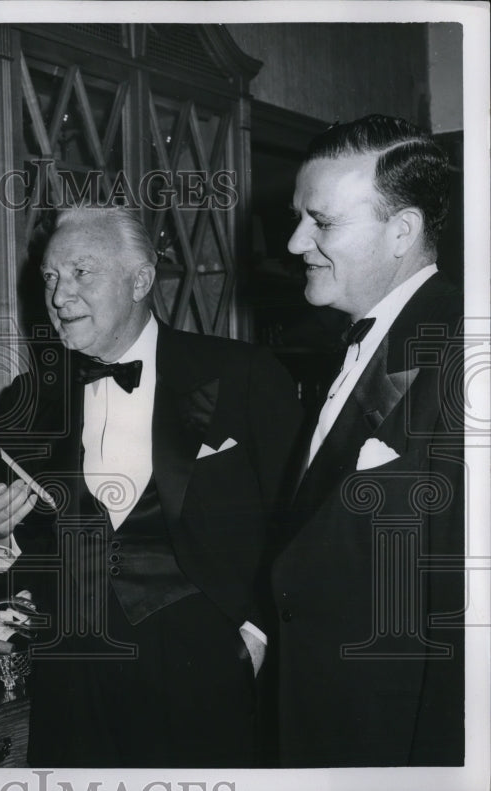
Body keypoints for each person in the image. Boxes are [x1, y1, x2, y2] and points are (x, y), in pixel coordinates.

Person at [0, 206, 303, 767]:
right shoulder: (24, 404)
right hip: (71, 680)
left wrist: (258, 636)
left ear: (140, 280)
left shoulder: (244, 375)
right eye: (49, 277)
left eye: (80, 273)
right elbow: (24, 562)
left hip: (207, 671)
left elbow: (298, 525)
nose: (58, 295)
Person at [272, 114, 464, 766]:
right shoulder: (359, 344)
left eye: (321, 222)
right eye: (300, 217)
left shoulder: (467, 359)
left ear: (402, 232)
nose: (296, 242)